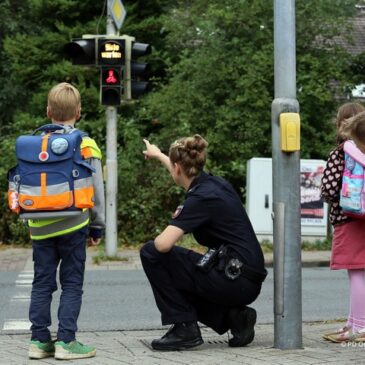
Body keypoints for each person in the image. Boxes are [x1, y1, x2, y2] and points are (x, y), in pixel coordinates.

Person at [140, 135, 267, 351]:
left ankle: (184, 329)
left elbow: (162, 245)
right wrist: (159, 154)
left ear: (178, 167)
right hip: (244, 276)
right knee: (183, 273)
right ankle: (234, 318)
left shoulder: (200, 198)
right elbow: (178, 170)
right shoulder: (215, 184)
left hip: (235, 279)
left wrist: (176, 220)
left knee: (151, 253)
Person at [27, 83, 105, 360]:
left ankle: (38, 341)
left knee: (42, 282)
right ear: (79, 112)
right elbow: (96, 188)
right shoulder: (85, 143)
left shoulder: (33, 143)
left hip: (39, 224)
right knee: (72, 283)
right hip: (74, 223)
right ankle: (66, 342)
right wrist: (97, 225)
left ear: (48, 111)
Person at [321, 102, 365, 343]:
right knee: (360, 270)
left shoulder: (340, 152)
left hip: (347, 218)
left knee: (356, 272)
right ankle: (353, 323)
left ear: (339, 125)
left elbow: (329, 188)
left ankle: (359, 327)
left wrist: (328, 195)